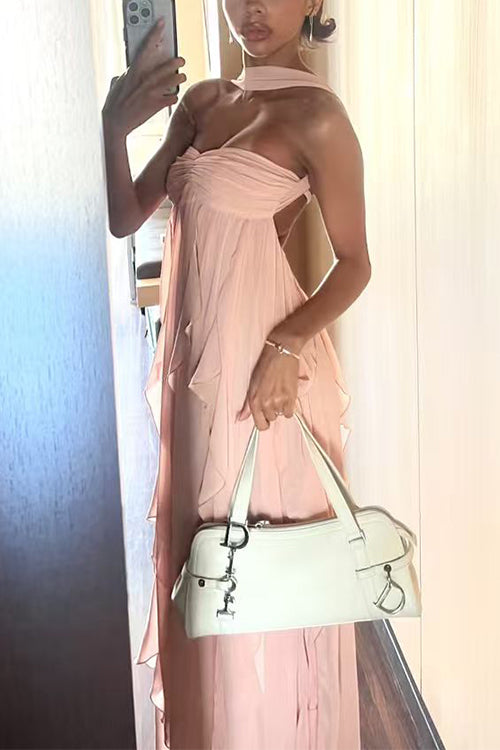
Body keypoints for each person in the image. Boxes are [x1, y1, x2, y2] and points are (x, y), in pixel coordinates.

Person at [102, 2, 371, 748]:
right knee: (207, 568)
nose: (252, 8)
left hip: (267, 382)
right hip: (197, 376)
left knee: (267, 574)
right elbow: (127, 216)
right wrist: (113, 130)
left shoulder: (319, 117)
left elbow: (356, 263)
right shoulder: (201, 103)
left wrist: (286, 346)